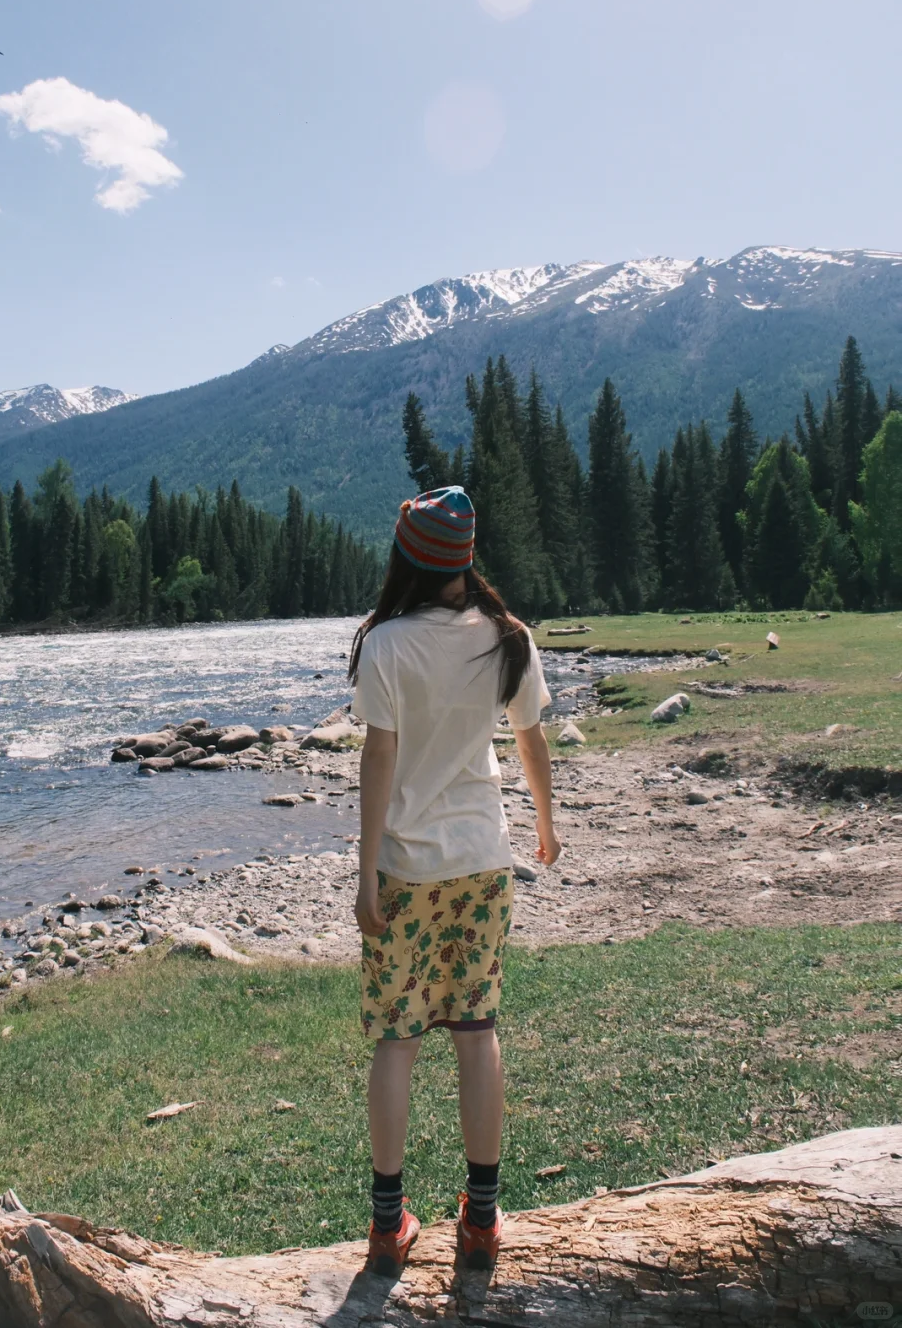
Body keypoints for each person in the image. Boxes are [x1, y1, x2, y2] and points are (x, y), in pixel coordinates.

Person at [348, 485, 561, 1276]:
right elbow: (530, 739)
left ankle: (386, 1222)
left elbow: (379, 760)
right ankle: (480, 1219)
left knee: (397, 1042)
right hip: (481, 861)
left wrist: (367, 872)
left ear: (408, 557)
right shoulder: (508, 638)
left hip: (406, 867)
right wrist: (545, 823)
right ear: (466, 558)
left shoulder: (385, 645)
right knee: (477, 1032)